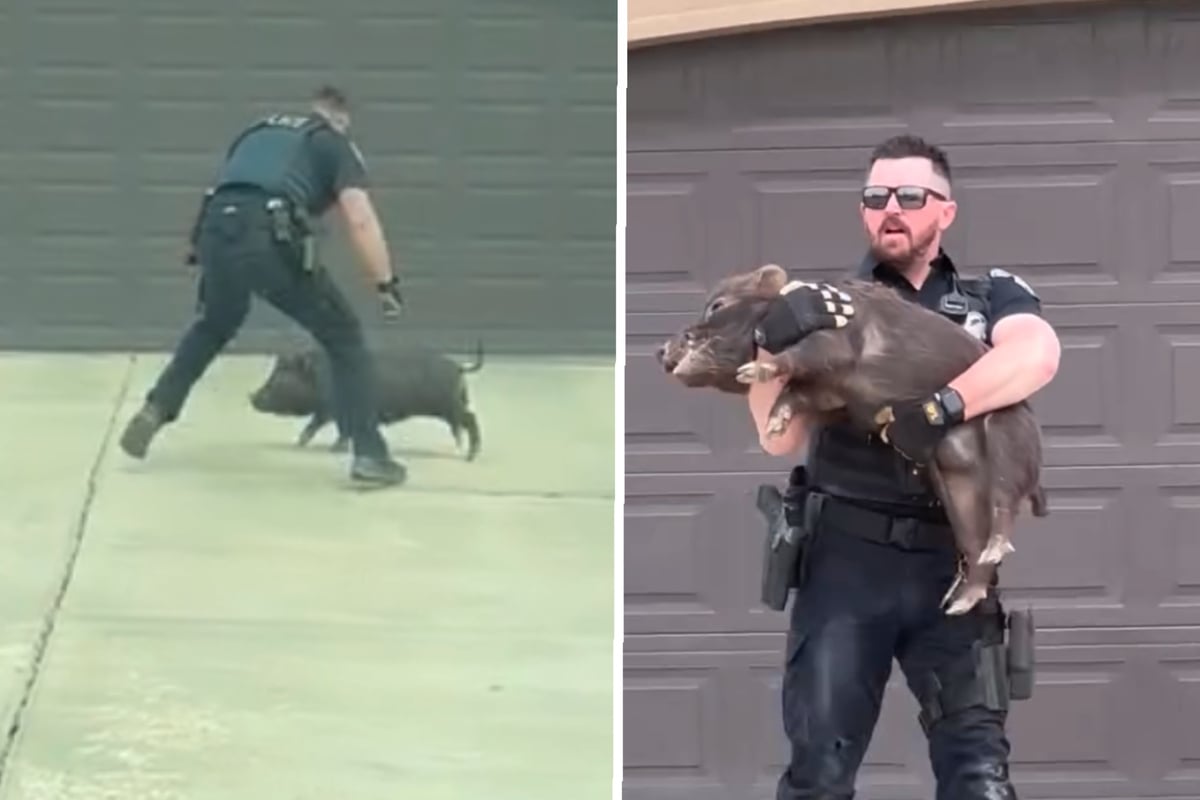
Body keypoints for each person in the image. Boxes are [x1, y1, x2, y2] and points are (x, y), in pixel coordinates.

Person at [749, 134, 1061, 800]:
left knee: (979, 777)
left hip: (952, 565)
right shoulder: (831, 304)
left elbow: (1035, 357)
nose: (890, 209)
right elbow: (778, 438)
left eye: (910, 196)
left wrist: (942, 407)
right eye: (875, 197)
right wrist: (768, 342)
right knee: (818, 777)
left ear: (945, 210)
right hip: (846, 565)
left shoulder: (989, 297)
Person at [118, 85, 408, 487]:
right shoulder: (333, 143)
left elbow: (221, 190)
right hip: (269, 235)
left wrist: (198, 249)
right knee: (344, 337)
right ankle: (371, 455)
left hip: (217, 230)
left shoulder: (257, 131)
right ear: (340, 120)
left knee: (214, 324)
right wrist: (384, 283)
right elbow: (359, 218)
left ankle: (156, 407)